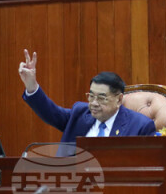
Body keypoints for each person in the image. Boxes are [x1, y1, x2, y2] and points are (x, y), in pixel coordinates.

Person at [19, 49, 157, 154]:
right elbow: (50, 112)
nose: (94, 103)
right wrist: (31, 85)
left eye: (101, 98)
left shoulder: (140, 126)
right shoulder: (79, 113)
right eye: (91, 96)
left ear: (119, 99)